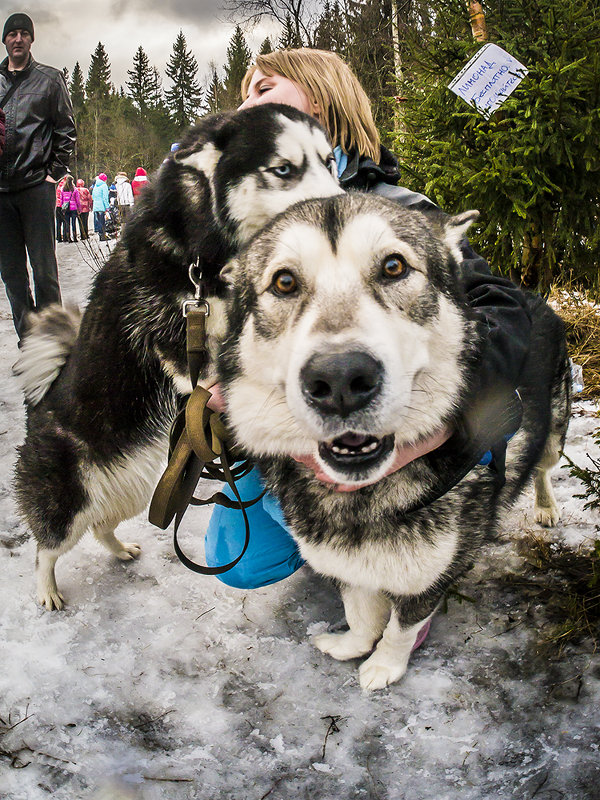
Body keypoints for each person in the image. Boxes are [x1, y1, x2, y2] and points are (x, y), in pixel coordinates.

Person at [204, 48, 532, 591]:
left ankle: (411, 555)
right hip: (296, 425)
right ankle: (336, 543)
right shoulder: (239, 226)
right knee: (241, 562)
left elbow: (505, 308)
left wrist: (447, 416)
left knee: (471, 425)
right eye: (242, 95)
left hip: (409, 424)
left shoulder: (399, 209)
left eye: (263, 89)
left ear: (322, 100)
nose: (244, 107)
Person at [0, 12, 75, 340]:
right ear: (4, 41)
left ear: (31, 39)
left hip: (35, 187)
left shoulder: (49, 79)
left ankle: (55, 341)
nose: (17, 39)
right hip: (1, 193)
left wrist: (53, 174)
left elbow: (66, 129)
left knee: (44, 271)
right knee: (12, 276)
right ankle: (30, 343)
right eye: (11, 34)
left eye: (23, 33)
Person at [59, 174, 81, 242]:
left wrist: (62, 207)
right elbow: (77, 200)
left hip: (66, 208)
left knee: (67, 223)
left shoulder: (63, 189)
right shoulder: (74, 189)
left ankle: (68, 238)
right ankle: (75, 237)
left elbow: (61, 199)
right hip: (73, 207)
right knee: (74, 223)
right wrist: (79, 208)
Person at [92, 172, 110, 240]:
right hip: (101, 206)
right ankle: (103, 236)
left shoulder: (96, 185)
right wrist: (107, 207)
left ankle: (100, 235)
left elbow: (93, 196)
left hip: (96, 206)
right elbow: (105, 197)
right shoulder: (104, 186)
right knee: (102, 222)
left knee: (99, 222)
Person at [55, 175, 67, 242]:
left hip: (57, 205)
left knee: (58, 222)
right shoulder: (66, 185)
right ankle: (65, 236)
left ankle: (59, 237)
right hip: (63, 206)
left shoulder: (59, 185)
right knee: (65, 222)